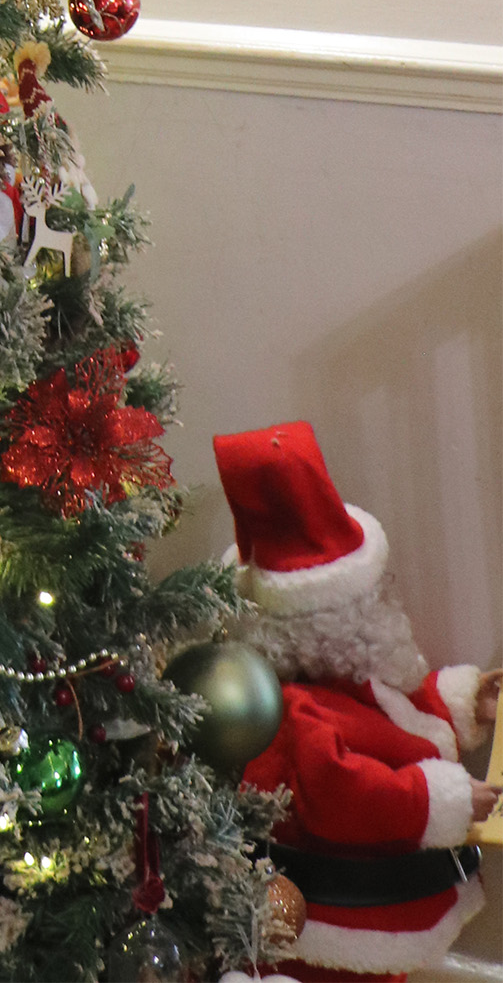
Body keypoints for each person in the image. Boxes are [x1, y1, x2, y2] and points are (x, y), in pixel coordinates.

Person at [214, 420, 499, 983]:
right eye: (369, 594)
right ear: (329, 620)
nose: (383, 598)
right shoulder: (297, 713)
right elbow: (344, 793)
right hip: (347, 921)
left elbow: (400, 707)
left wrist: (467, 701)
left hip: (388, 905)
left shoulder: (352, 672)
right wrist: (437, 798)